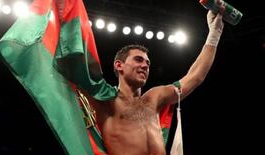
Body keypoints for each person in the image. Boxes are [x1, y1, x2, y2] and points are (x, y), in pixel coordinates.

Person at [86, 10, 224, 155]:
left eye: (147, 63)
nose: (145, 66)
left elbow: (195, 77)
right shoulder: (106, 101)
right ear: (119, 65)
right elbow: (77, 71)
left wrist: (215, 33)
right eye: (138, 60)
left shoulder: (154, 97)